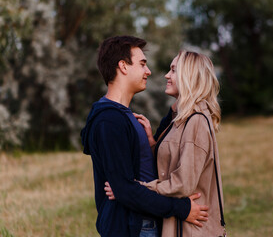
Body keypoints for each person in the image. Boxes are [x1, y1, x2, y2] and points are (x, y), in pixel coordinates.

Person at [80, 36, 209, 237]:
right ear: (123, 66)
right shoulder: (109, 121)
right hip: (132, 227)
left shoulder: (126, 116)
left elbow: (148, 168)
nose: (148, 71)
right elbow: (124, 190)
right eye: (142, 64)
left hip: (146, 223)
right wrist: (181, 208)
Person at [105, 50, 225, 236]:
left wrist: (132, 189)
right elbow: (172, 165)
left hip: (193, 230)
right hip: (179, 226)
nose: (167, 75)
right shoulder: (180, 119)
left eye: (174, 70)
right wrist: (153, 143)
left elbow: (182, 184)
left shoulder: (197, 121)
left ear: (189, 76)